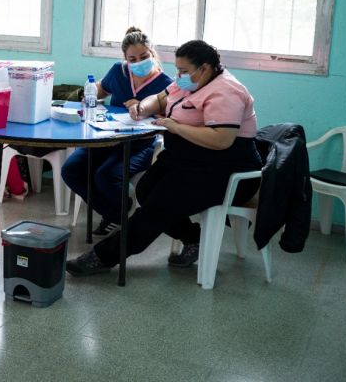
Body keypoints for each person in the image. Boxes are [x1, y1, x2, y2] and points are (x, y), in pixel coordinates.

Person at [66, 40, 262, 276]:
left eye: (184, 70)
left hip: (225, 168)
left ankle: (103, 256)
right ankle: (195, 238)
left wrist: (175, 127)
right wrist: (142, 107)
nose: (178, 75)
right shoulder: (190, 82)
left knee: (157, 207)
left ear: (205, 68)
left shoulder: (227, 91)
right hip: (187, 160)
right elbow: (160, 99)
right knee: (145, 191)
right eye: (177, 69)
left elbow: (222, 139)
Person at [61, 27, 172, 235]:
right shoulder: (119, 72)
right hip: (106, 137)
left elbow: (170, 118)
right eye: (132, 59)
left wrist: (143, 107)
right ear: (125, 58)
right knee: (71, 170)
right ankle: (116, 212)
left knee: (106, 175)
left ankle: (117, 214)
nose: (138, 62)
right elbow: (99, 91)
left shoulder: (166, 85)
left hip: (140, 143)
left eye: (144, 56)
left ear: (152, 54)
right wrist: (91, 97)